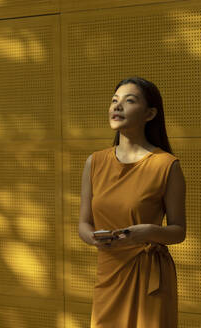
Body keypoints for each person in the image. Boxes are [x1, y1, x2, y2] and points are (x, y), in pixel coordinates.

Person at [78, 77, 186, 327]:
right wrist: (93, 237)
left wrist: (148, 232)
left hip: (150, 276)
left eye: (129, 101)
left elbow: (178, 231)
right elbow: (84, 223)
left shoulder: (167, 165)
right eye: (114, 101)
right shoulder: (94, 162)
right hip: (109, 271)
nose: (117, 106)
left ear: (150, 114)